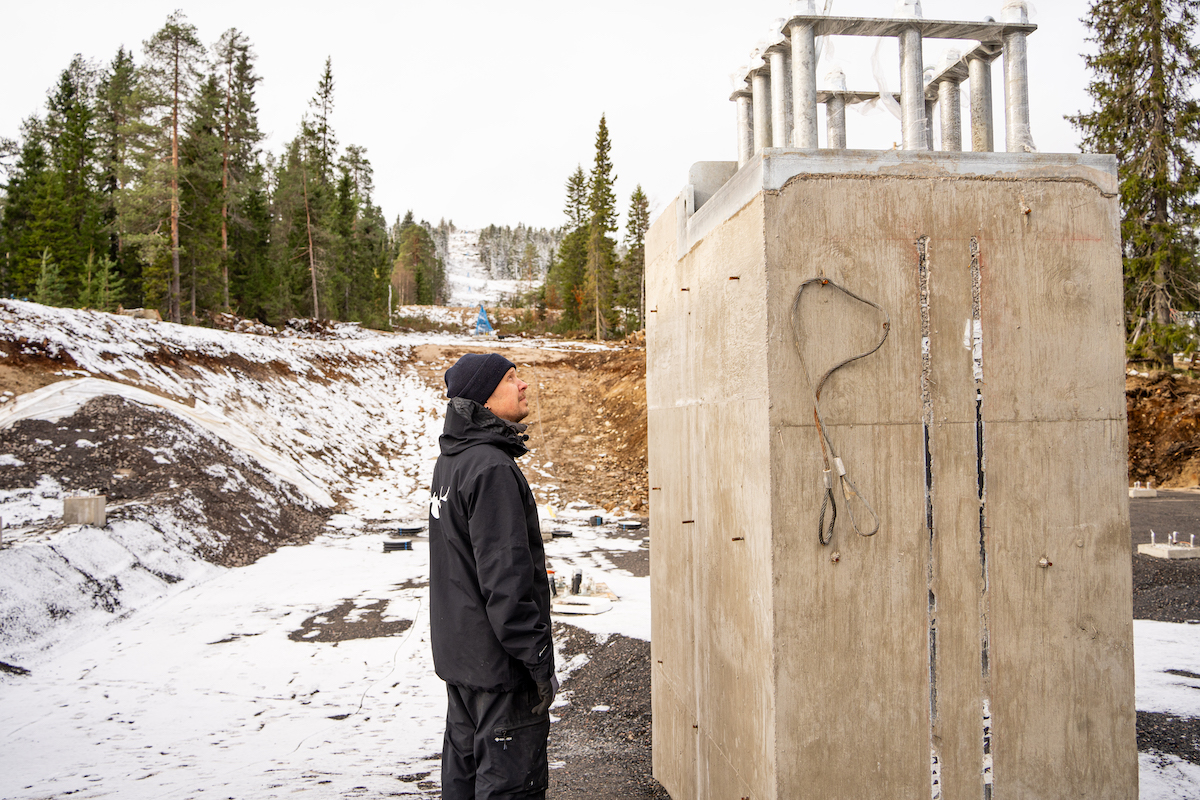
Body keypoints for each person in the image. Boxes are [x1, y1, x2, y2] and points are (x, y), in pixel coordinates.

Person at [428, 352, 557, 800]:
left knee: (464, 783)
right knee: (508, 787)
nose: (522, 385)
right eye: (510, 378)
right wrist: (537, 658)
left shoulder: (453, 461)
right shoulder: (491, 468)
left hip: (463, 660)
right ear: (484, 397)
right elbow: (506, 582)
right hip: (500, 668)